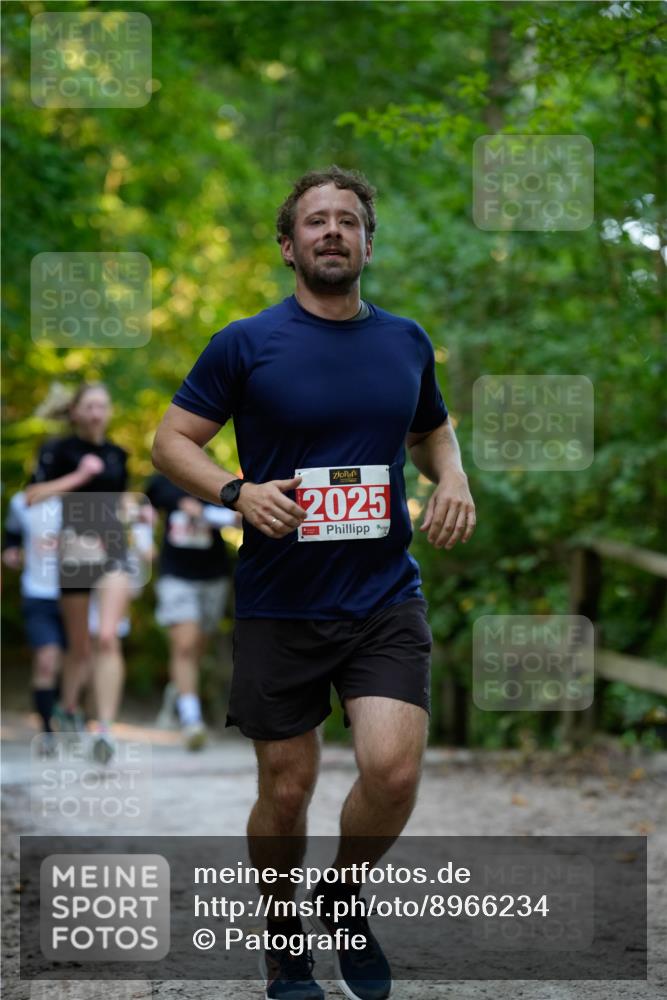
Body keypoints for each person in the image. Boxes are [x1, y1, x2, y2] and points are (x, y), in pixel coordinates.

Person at [152, 165, 476, 1000]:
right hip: (279, 600)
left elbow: (431, 432)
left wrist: (455, 479)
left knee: (393, 771)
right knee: (287, 791)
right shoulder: (244, 342)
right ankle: (282, 932)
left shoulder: (404, 340)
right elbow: (170, 442)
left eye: (347, 220)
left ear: (368, 239)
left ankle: (341, 893)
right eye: (315, 221)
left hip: (381, 595)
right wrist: (235, 490)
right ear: (287, 244)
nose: (331, 231)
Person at [25, 382, 132, 764]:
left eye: (102, 406)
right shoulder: (57, 451)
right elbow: (31, 497)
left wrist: (138, 514)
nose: (96, 413)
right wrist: (79, 477)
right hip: (73, 551)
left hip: (113, 551)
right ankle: (68, 708)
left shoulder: (119, 454)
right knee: (79, 646)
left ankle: (104, 728)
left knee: (106, 637)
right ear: (74, 411)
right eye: (88, 406)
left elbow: (120, 505)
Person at [2, 490, 134, 753]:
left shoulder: (94, 503)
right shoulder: (26, 502)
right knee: (52, 659)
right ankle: (52, 726)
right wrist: (11, 552)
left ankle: (95, 725)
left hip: (88, 587)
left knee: (98, 646)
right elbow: (12, 537)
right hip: (43, 596)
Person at [146, 473, 236, 750]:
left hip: (214, 576)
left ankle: (179, 691)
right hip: (175, 575)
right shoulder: (159, 482)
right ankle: (191, 719)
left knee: (197, 647)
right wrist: (144, 541)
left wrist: (204, 513)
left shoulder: (219, 477)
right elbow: (143, 513)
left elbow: (239, 519)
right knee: (184, 644)